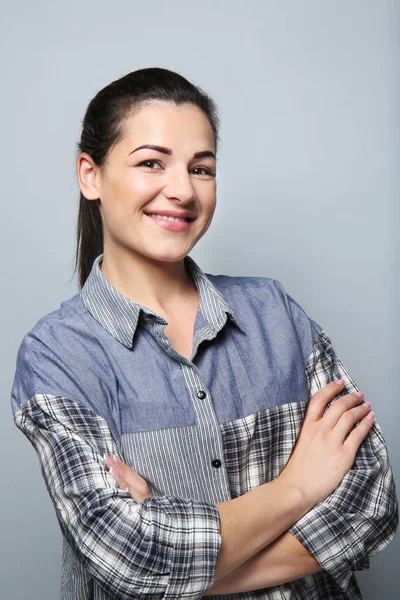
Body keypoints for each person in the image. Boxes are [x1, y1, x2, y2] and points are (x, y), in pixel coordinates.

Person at [10, 67, 398, 600]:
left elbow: (371, 500)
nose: (183, 191)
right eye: (151, 163)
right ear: (90, 175)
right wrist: (299, 485)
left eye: (202, 168)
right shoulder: (57, 355)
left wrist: (192, 575)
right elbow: (129, 553)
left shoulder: (275, 313)